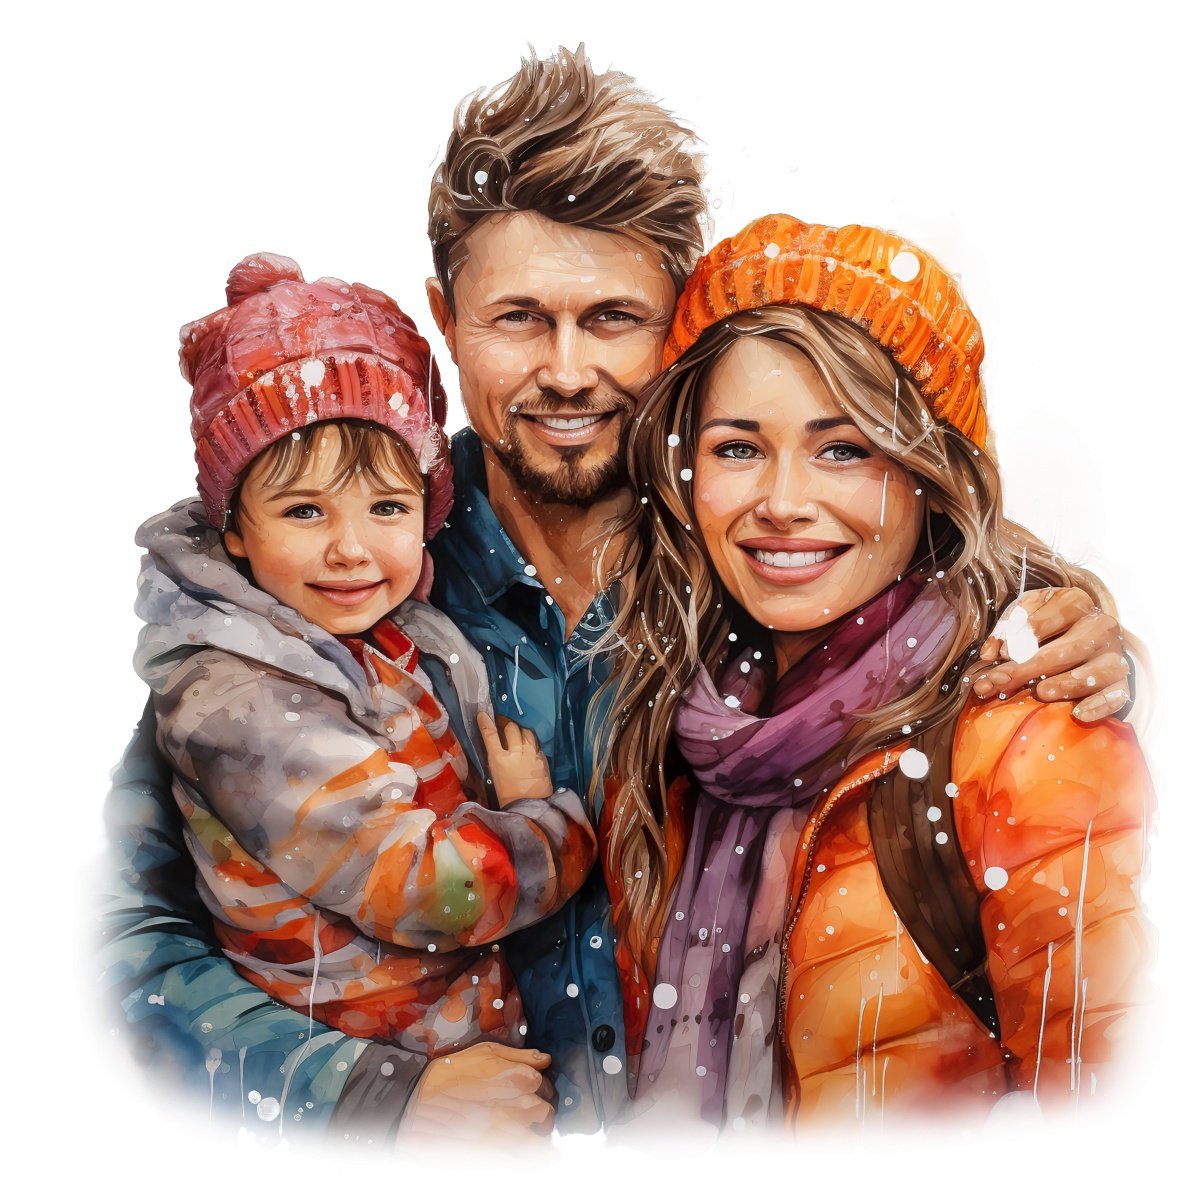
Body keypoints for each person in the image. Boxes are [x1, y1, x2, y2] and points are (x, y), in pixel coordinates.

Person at [99, 47, 1135, 1141]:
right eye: (518, 319)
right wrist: (363, 1096)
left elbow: (912, 551)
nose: (566, 372)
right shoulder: (328, 593)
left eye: (610, 320)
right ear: (445, 319)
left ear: (677, 323)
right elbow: (125, 946)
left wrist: (1054, 604)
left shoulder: (756, 566)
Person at [600, 214, 1154, 1136]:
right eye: (738, 446)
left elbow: (1108, 1122)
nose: (783, 502)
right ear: (684, 473)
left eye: (844, 449)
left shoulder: (1030, 736)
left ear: (930, 475)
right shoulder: (667, 738)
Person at [134, 251, 595, 1135]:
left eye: (386, 509)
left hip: (448, 1051)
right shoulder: (242, 700)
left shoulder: (375, 640)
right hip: (368, 1069)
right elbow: (419, 886)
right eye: (305, 512)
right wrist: (550, 827)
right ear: (234, 529)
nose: (352, 550)